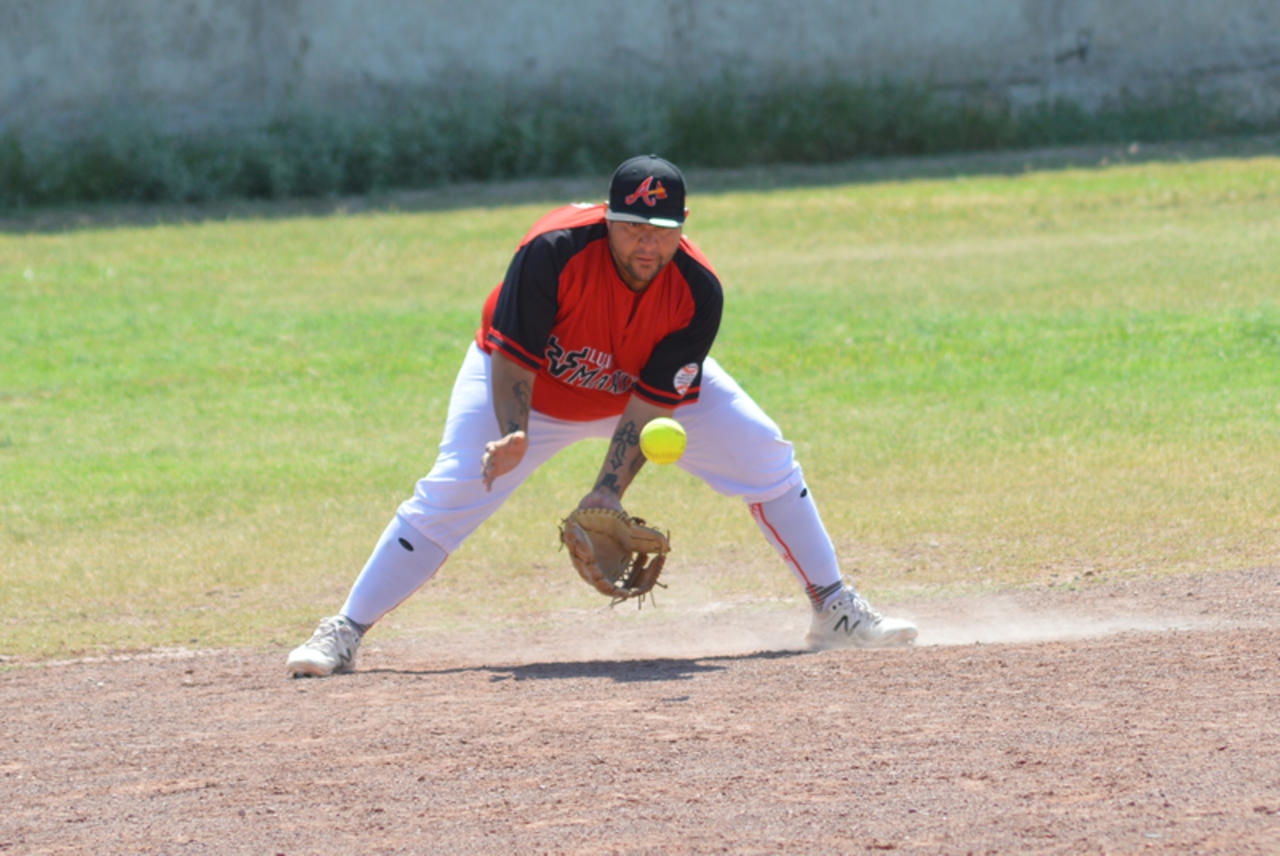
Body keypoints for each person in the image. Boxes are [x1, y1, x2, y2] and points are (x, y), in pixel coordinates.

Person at [285, 154, 917, 677]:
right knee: (453, 487)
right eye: (634, 227)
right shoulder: (552, 251)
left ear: (684, 226)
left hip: (633, 391)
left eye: (662, 229)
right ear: (608, 218)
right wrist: (514, 433)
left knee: (765, 454)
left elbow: (654, 403)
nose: (648, 243)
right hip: (531, 391)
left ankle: (833, 608)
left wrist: (607, 490)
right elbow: (511, 362)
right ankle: (343, 631)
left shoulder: (697, 289)